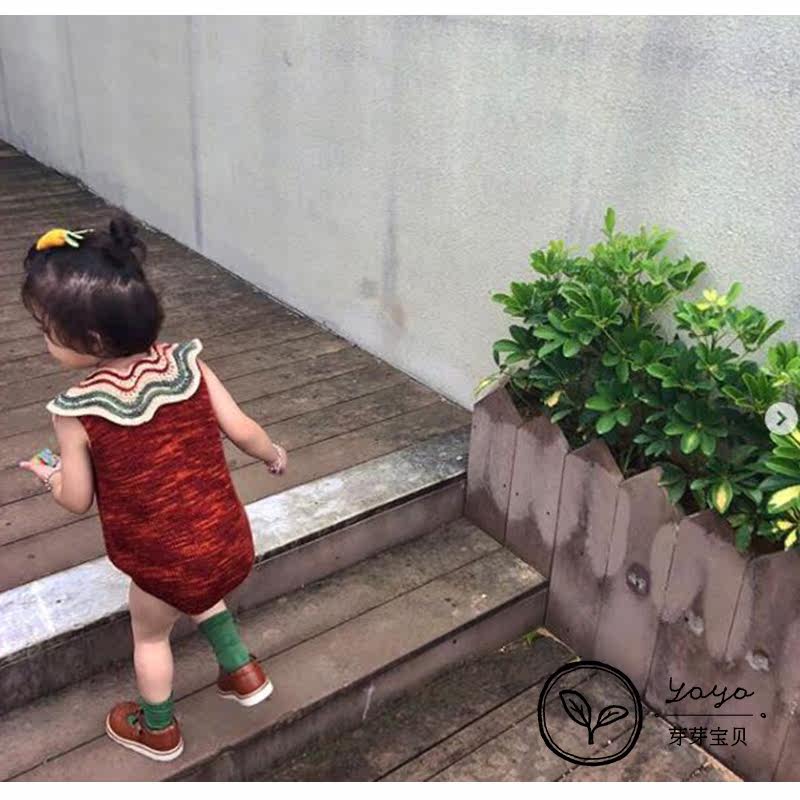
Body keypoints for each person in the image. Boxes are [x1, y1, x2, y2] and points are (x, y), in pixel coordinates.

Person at [18, 218, 288, 762]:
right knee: (197, 583)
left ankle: (158, 729)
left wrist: (49, 475)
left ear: (93, 341)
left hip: (162, 562)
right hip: (228, 541)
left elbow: (76, 498)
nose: (44, 339)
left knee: (150, 633)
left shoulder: (77, 410)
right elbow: (243, 430)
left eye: (48, 329)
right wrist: (272, 454)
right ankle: (242, 670)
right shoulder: (186, 365)